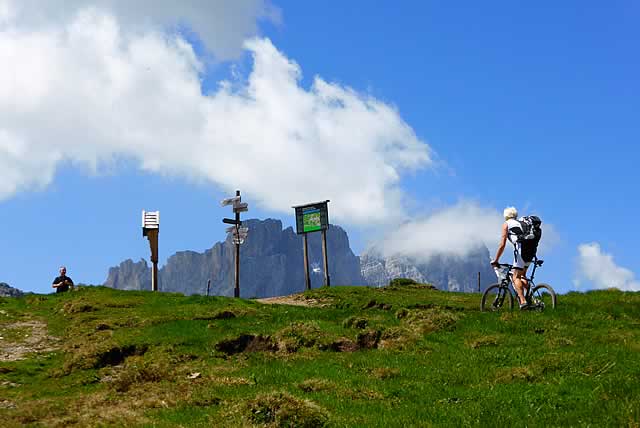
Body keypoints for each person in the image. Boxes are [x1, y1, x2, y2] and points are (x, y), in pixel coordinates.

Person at [491, 207, 531, 310]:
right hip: (531, 250)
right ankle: (531, 297)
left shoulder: (507, 224)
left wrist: (496, 260)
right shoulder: (521, 223)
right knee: (522, 275)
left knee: (515, 277)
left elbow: (502, 244)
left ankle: (523, 301)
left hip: (521, 251)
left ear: (505, 216)